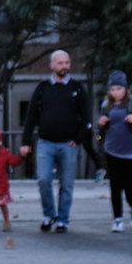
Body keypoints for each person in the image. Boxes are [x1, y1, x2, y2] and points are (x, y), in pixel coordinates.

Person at [20, 49, 94, 233]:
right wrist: (26, 141)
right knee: (44, 179)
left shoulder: (77, 88)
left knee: (66, 184)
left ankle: (62, 219)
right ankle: (49, 214)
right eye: (60, 63)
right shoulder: (43, 88)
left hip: (68, 144)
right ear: (52, 65)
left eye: (67, 62)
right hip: (46, 142)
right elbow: (31, 116)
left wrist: (78, 139)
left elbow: (86, 118)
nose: (64, 66)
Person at [97, 70, 132, 232]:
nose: (115, 92)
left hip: (131, 151)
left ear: (125, 89)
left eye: (118, 89)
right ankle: (117, 219)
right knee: (115, 187)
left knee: (130, 185)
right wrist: (100, 123)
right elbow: (100, 125)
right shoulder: (105, 105)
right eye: (112, 89)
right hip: (112, 150)